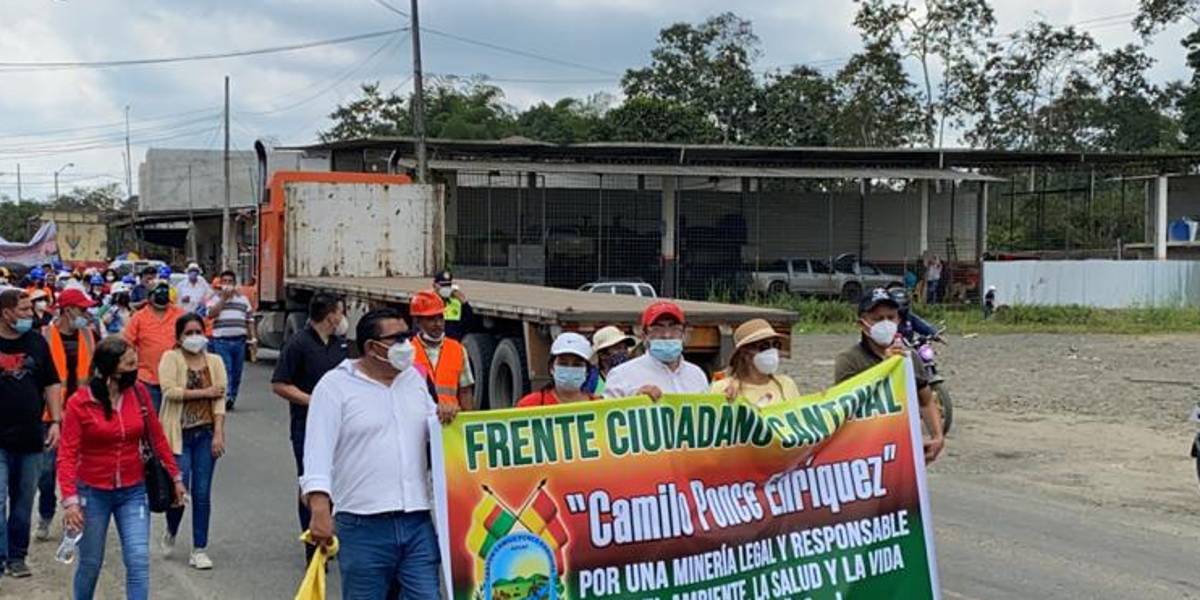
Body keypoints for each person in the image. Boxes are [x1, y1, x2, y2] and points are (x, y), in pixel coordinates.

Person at [302, 308, 455, 599]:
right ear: (372, 347)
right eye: (398, 339)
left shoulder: (414, 381)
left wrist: (445, 415)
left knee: (426, 595)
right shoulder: (335, 387)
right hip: (363, 525)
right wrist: (320, 509)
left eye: (407, 337)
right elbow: (317, 452)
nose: (407, 346)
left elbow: (433, 434)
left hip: (416, 521)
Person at [58, 336, 185, 600]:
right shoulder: (79, 402)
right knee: (90, 564)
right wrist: (70, 501)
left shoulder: (138, 393)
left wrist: (175, 475)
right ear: (110, 368)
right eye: (129, 364)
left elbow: (157, 436)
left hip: (133, 490)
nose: (134, 369)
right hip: (91, 493)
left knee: (138, 560)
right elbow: (67, 454)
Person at [271, 293, 349, 562]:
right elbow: (279, 384)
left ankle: (333, 536)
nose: (342, 318)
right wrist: (314, 401)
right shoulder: (298, 344)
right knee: (312, 483)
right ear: (330, 315)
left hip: (340, 427)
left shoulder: (341, 345)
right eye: (340, 312)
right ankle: (312, 545)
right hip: (307, 426)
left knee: (339, 481)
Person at [834, 288, 945, 463]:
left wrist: (938, 436)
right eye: (878, 319)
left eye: (890, 317)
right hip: (864, 452)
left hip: (903, 448)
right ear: (863, 324)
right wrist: (885, 368)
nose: (885, 323)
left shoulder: (909, 358)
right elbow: (845, 409)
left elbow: (925, 401)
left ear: (899, 320)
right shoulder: (849, 360)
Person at [0, 288, 63, 578]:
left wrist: (56, 421)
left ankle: (17, 557)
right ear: (6, 312)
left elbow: (51, 382)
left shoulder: (36, 342)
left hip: (30, 437)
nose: (30, 315)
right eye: (24, 310)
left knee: (24, 501)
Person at [158, 313, 227, 570]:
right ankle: (172, 528)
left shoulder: (215, 362)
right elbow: (169, 391)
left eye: (198, 331)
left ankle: (199, 548)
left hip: (205, 434)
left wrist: (219, 433)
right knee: (180, 492)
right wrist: (204, 392)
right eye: (189, 333)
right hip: (179, 436)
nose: (195, 337)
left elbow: (220, 400)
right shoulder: (171, 358)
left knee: (202, 493)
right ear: (179, 338)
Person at [36, 288, 97, 542]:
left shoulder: (89, 335)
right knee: (47, 472)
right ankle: (46, 512)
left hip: (82, 411)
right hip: (49, 414)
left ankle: (77, 516)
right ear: (67, 310)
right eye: (82, 309)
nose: (86, 313)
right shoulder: (43, 336)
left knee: (79, 469)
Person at [604, 301, 708, 400]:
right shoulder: (621, 375)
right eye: (657, 329)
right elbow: (605, 414)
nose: (667, 335)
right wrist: (634, 402)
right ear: (645, 335)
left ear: (684, 333)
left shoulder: (697, 375)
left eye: (674, 328)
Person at [124, 282, 186, 413]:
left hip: (176, 378)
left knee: (174, 421)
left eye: (165, 292)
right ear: (149, 297)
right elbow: (127, 344)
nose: (162, 296)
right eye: (158, 293)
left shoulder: (180, 315)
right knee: (151, 420)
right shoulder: (139, 317)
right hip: (148, 379)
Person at [711, 319, 801, 407]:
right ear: (745, 353)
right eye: (764, 346)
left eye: (776, 344)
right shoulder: (723, 389)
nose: (772, 350)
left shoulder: (787, 385)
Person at [409, 290, 475, 410]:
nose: (438, 324)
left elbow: (465, 391)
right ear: (418, 321)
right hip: (418, 421)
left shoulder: (457, 350)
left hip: (451, 424)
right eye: (431, 319)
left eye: (440, 318)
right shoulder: (408, 352)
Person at [205, 271, 256, 411]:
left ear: (235, 284)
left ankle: (232, 396)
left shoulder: (243, 299)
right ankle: (225, 397)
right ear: (221, 283)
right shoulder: (214, 298)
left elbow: (249, 319)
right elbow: (210, 315)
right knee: (226, 369)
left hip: (239, 341)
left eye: (230, 281)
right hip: (221, 341)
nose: (227, 284)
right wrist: (223, 299)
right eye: (225, 281)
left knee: (237, 371)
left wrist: (253, 338)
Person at [517, 333, 597, 407]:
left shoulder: (599, 406)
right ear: (552, 368)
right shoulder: (530, 405)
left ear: (587, 371)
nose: (570, 369)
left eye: (577, 364)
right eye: (563, 363)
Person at [432, 271, 474, 340]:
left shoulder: (456, 302)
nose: (446, 288)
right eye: (442, 286)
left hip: (453, 342)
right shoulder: (429, 302)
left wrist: (464, 302)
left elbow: (469, 323)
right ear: (434, 285)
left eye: (448, 285)